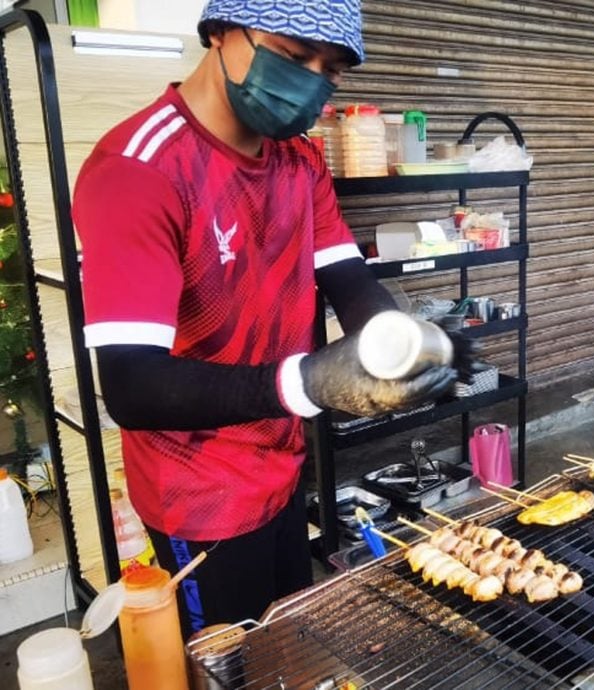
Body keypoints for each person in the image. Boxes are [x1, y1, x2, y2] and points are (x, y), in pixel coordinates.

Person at [71, 0, 471, 638]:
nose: (312, 80)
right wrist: (307, 382)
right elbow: (130, 385)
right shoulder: (138, 170)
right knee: (226, 662)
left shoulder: (299, 158)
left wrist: (405, 344)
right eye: (293, 55)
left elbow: (346, 275)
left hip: (281, 469)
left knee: (287, 646)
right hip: (196, 494)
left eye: (332, 68)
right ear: (222, 33)